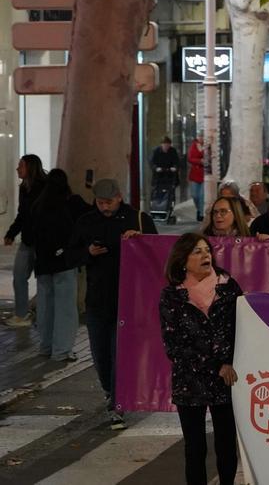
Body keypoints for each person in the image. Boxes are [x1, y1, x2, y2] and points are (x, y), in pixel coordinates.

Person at [69, 177, 156, 428]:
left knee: (121, 354)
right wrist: (88, 253)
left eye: (108, 202)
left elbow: (157, 253)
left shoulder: (138, 219)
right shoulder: (86, 221)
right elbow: (70, 256)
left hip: (129, 300)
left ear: (119, 197)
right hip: (97, 300)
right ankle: (110, 393)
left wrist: (139, 241)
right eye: (99, 202)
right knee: (100, 354)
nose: (104, 207)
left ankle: (118, 402)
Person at [159, 234, 241, 485]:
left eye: (207, 250)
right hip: (189, 380)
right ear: (183, 260)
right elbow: (174, 346)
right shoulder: (172, 296)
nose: (205, 255)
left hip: (226, 379)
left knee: (226, 444)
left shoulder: (229, 288)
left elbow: (243, 330)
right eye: (197, 251)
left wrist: (228, 363)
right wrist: (216, 364)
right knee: (195, 447)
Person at [30, 169, 90, 361]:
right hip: (64, 263)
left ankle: (45, 346)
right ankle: (61, 351)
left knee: (45, 307)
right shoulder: (70, 204)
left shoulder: (38, 206)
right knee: (65, 308)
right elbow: (89, 216)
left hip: (43, 263)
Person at [4, 154, 46, 327]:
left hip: (44, 242)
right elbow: (23, 214)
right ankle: (22, 314)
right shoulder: (24, 188)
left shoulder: (44, 187)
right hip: (28, 241)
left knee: (44, 280)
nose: (17, 169)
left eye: (20, 166)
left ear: (30, 168)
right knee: (19, 276)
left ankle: (43, 315)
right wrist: (11, 233)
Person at [187, 136, 206, 221]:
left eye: (203, 136)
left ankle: (201, 213)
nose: (201, 138)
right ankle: (198, 209)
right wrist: (199, 161)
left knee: (202, 195)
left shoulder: (207, 146)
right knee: (195, 195)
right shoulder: (193, 146)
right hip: (195, 174)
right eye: (200, 136)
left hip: (204, 174)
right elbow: (190, 158)